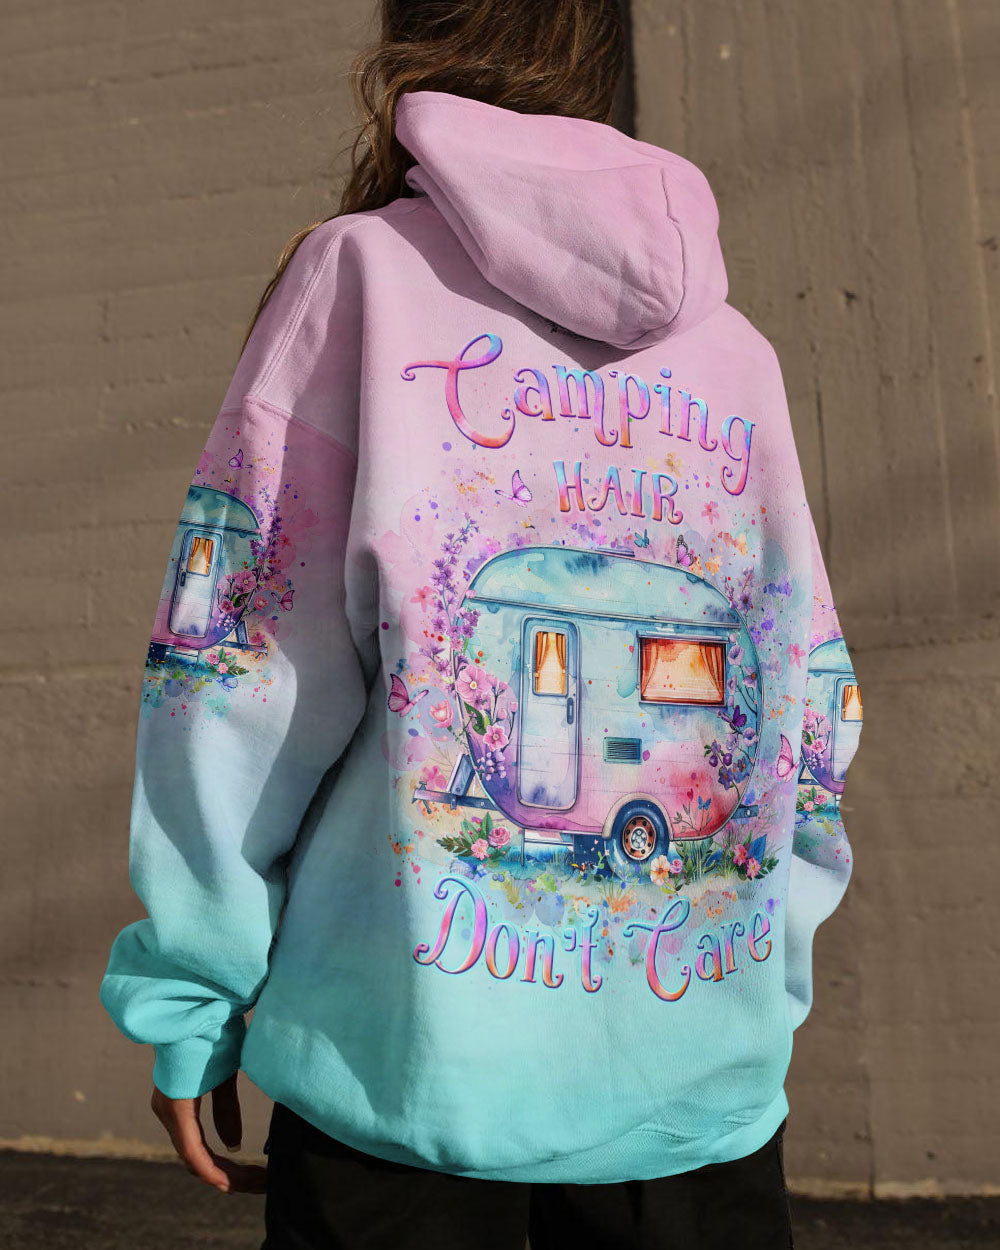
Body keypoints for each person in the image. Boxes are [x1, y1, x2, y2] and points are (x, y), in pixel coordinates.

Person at [99, 2, 863, 1247]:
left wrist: (193, 990)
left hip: (399, 1076)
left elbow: (238, 672)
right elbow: (808, 705)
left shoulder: (357, 276)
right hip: (695, 1096)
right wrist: (757, 978)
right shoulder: (732, 351)